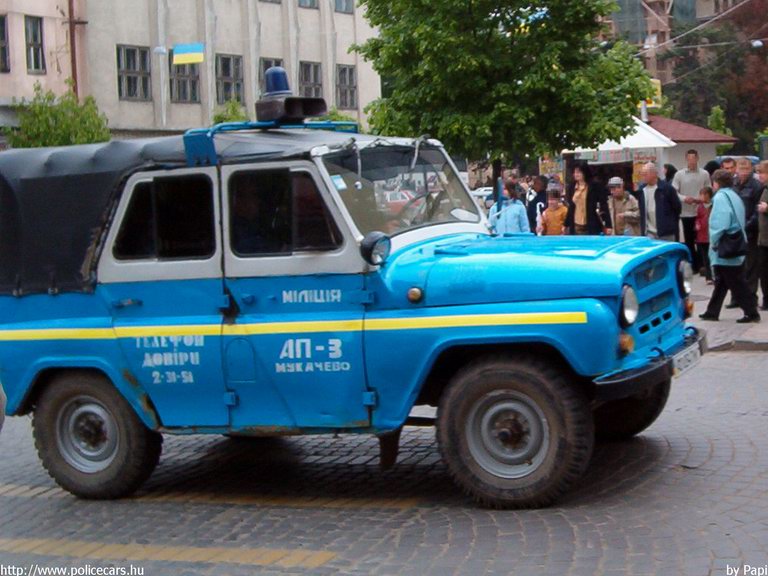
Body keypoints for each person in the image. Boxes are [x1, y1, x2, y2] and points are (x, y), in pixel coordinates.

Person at [699, 169, 761, 323]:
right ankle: (712, 311)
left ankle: (751, 312)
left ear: (716, 183)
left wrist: (713, 240)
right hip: (737, 243)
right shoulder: (734, 195)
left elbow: (721, 222)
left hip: (726, 247)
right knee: (723, 281)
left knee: (736, 282)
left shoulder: (720, 197)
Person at [672, 150, 711, 269]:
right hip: (686, 212)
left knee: (702, 239)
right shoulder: (679, 174)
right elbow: (674, 192)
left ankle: (703, 264)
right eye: (689, 159)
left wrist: (702, 199)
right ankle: (693, 264)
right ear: (686, 159)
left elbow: (709, 189)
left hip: (701, 211)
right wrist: (684, 198)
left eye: (694, 158)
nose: (692, 161)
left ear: (698, 158)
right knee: (689, 239)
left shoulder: (704, 174)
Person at [733, 157, 764, 300]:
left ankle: (751, 296)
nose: (743, 172)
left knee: (751, 265)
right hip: (735, 230)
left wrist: (747, 225)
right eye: (741, 169)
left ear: (750, 169)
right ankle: (737, 296)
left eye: (746, 169)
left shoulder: (757, 186)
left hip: (750, 230)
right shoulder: (733, 184)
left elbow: (757, 211)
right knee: (736, 265)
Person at [635, 162, 681, 241]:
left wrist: (670, 223)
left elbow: (677, 207)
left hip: (666, 232)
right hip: (649, 232)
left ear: (654, 174)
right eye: (642, 174)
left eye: (645, 174)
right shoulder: (641, 190)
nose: (643, 177)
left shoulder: (666, 188)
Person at [565, 165, 612, 235]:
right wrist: (566, 224)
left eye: (578, 172)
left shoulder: (595, 186)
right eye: (575, 172)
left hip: (591, 222)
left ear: (584, 173)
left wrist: (608, 225)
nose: (576, 174)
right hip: (575, 224)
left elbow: (603, 205)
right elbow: (571, 207)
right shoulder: (572, 187)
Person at [695, 186, 714, 284]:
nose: (702, 197)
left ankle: (714, 275)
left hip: (712, 234)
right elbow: (697, 218)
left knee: (713, 256)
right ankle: (709, 277)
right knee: (705, 257)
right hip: (702, 236)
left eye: (705, 194)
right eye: (701, 194)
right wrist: (697, 224)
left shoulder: (714, 205)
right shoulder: (699, 207)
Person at [756, 161, 768, 311]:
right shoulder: (763, 189)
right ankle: (766, 300)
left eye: (762, 173)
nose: (759, 176)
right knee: (763, 271)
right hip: (763, 238)